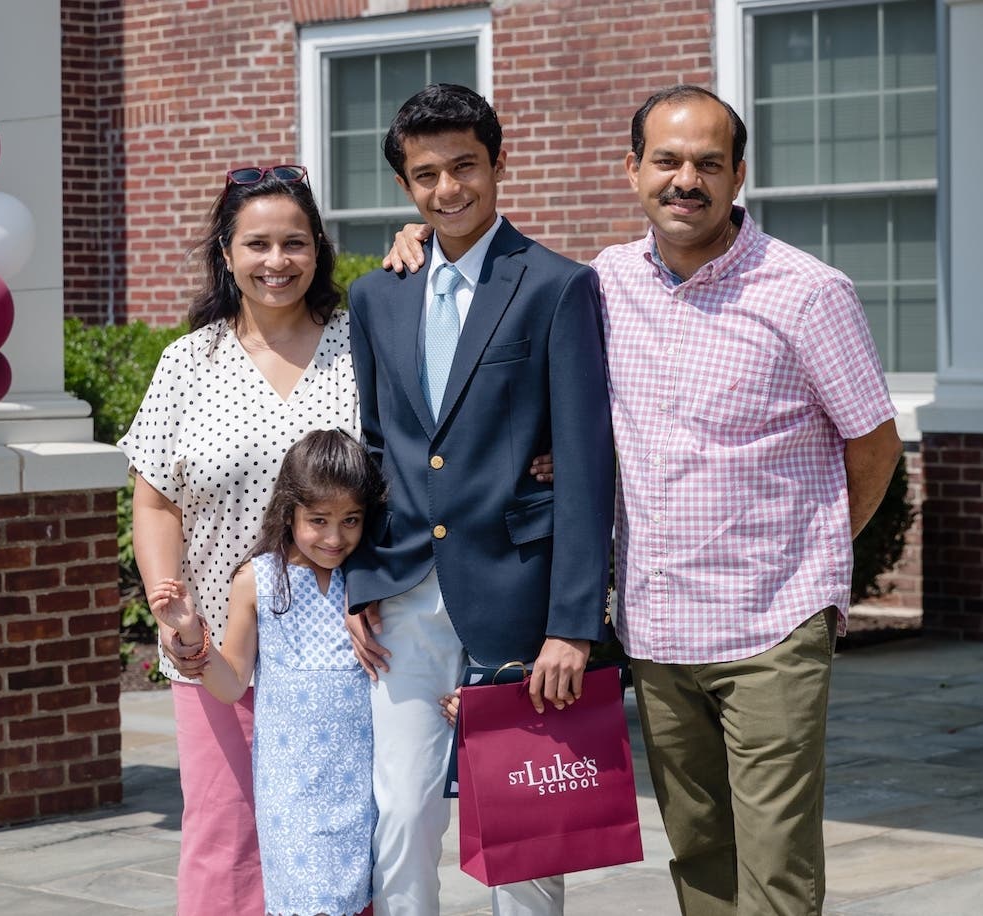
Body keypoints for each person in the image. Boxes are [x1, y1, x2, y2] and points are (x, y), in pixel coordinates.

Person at [385, 84, 904, 915]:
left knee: (774, 863)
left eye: (707, 163)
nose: (685, 180)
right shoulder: (605, 282)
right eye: (666, 161)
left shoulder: (810, 293)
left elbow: (874, 444)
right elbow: (509, 320)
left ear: (738, 175)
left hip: (773, 622)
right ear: (633, 171)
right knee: (697, 852)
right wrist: (423, 240)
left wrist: (818, 557)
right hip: (659, 629)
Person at [343, 83, 615, 916]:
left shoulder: (557, 286)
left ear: (499, 164)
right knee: (400, 814)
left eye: (465, 166)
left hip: (516, 593)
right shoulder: (377, 295)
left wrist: (572, 625)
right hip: (403, 595)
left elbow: (585, 464)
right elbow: (380, 446)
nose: (448, 189)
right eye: (426, 175)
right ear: (404, 186)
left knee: (524, 834)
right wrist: (361, 576)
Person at [119, 164, 359, 915]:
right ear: (226, 253)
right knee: (225, 837)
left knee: (338, 835)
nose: (276, 261)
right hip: (219, 646)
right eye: (256, 244)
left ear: (318, 249)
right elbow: (155, 502)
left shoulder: (362, 348)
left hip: (342, 650)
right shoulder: (188, 363)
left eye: (294, 242)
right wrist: (168, 607)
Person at [148, 429, 384, 916]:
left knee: (354, 900)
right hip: (289, 790)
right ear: (289, 511)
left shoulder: (370, 580)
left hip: (359, 783)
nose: (334, 538)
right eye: (318, 520)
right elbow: (231, 682)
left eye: (351, 520)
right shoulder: (257, 579)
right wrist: (191, 633)